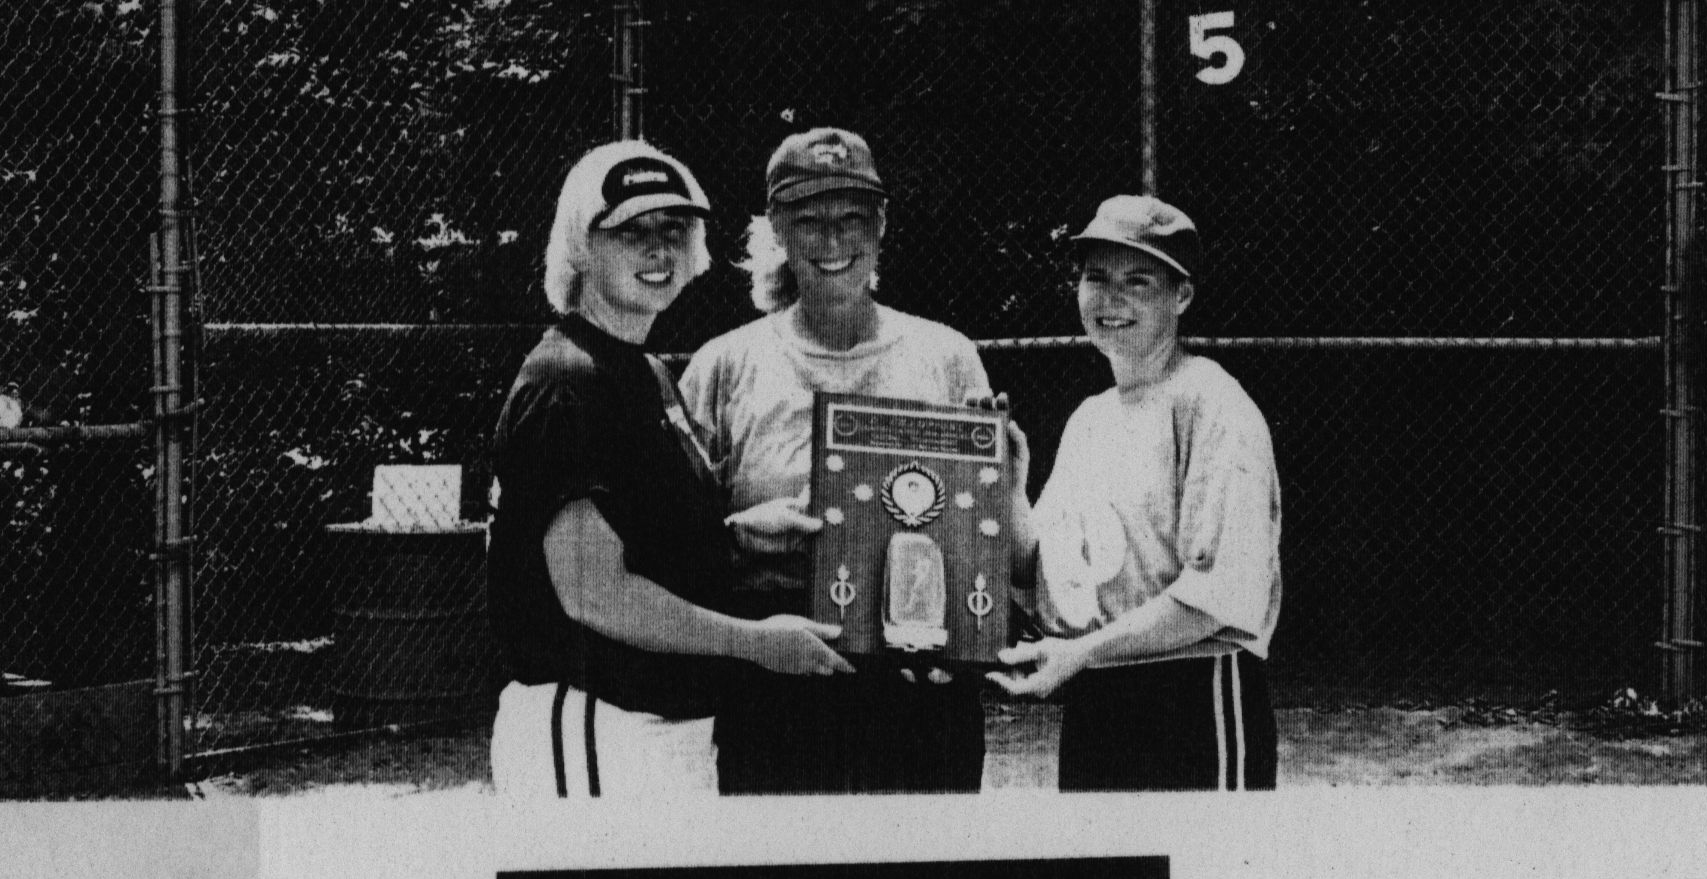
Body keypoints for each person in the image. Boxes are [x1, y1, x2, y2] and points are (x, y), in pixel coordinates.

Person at [487, 139, 848, 801]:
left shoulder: (643, 372)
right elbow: (593, 591)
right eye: (631, 231)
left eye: (673, 229)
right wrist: (756, 643)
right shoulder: (567, 381)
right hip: (598, 719)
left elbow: (649, 539)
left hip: (657, 723)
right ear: (582, 246)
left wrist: (737, 533)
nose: (658, 250)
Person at [680, 127, 996, 793]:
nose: (833, 243)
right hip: (779, 664)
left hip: (918, 664)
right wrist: (735, 536)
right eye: (810, 221)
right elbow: (670, 545)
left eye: (853, 219)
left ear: (881, 226)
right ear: (776, 230)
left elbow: (984, 535)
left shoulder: (946, 354)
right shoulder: (723, 364)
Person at [994, 195, 1281, 791]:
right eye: (1096, 277)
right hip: (1100, 696)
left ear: (1182, 297)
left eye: (1138, 281)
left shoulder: (1212, 402)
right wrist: (1009, 490)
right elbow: (1046, 583)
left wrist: (1083, 653)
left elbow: (1218, 598)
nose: (1112, 299)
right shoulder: (1090, 419)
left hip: (1195, 693)